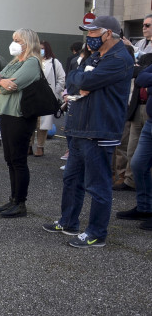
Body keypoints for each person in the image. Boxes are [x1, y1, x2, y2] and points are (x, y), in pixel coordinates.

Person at [42, 15, 134, 248]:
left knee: (98, 184)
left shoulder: (119, 58)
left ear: (109, 34)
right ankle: (68, 222)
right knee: (72, 179)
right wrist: (82, 82)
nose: (89, 38)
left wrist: (84, 82)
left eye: (93, 33)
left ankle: (96, 233)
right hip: (79, 127)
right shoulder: (94, 56)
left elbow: (86, 81)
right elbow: (75, 79)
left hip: (99, 130)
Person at [0, 29, 44, 218]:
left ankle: (20, 202)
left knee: (18, 160)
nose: (13, 43)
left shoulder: (32, 62)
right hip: (7, 114)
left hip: (19, 116)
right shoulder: (15, 61)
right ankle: (13, 199)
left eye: (17, 40)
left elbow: (14, 84)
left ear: (27, 42)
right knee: (10, 159)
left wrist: (0, 85)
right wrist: (0, 83)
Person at [114, 53, 152, 191]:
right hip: (138, 107)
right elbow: (139, 77)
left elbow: (141, 75)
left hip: (148, 109)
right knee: (132, 150)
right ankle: (130, 181)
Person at [30, 40, 65, 157]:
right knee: (30, 122)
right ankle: (29, 146)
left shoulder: (55, 62)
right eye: (38, 48)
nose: (40, 51)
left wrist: (55, 91)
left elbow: (61, 78)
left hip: (47, 98)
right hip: (33, 97)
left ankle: (40, 147)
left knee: (43, 124)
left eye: (42, 48)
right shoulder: (32, 61)